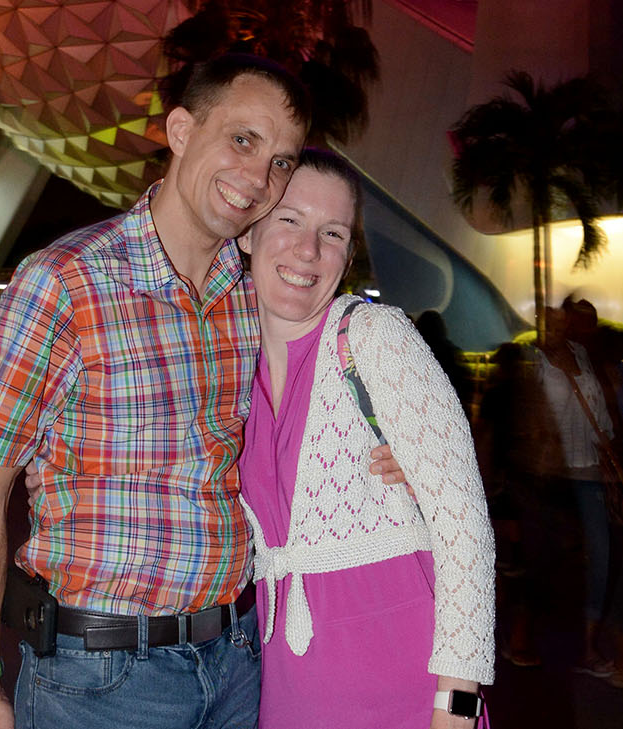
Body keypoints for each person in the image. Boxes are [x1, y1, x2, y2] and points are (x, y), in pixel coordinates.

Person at [0, 54, 316, 729]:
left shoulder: (254, 298)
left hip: (237, 658)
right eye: (243, 140)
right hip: (101, 676)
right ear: (181, 130)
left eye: (282, 161)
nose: (260, 178)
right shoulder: (65, 283)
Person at [233, 149, 494, 728]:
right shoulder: (223, 357)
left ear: (348, 255)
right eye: (289, 220)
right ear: (249, 231)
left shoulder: (375, 337)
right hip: (287, 680)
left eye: (333, 233)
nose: (309, 251)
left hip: (403, 674)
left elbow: (464, 524)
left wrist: (457, 701)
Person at [528, 306, 623, 693]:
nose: (557, 328)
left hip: (588, 473)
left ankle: (586, 648)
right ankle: (537, 637)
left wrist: (607, 448)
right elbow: (532, 422)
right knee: (552, 562)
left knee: (601, 559)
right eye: (549, 322)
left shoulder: (580, 354)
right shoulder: (532, 362)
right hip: (550, 479)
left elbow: (599, 410)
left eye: (561, 322)